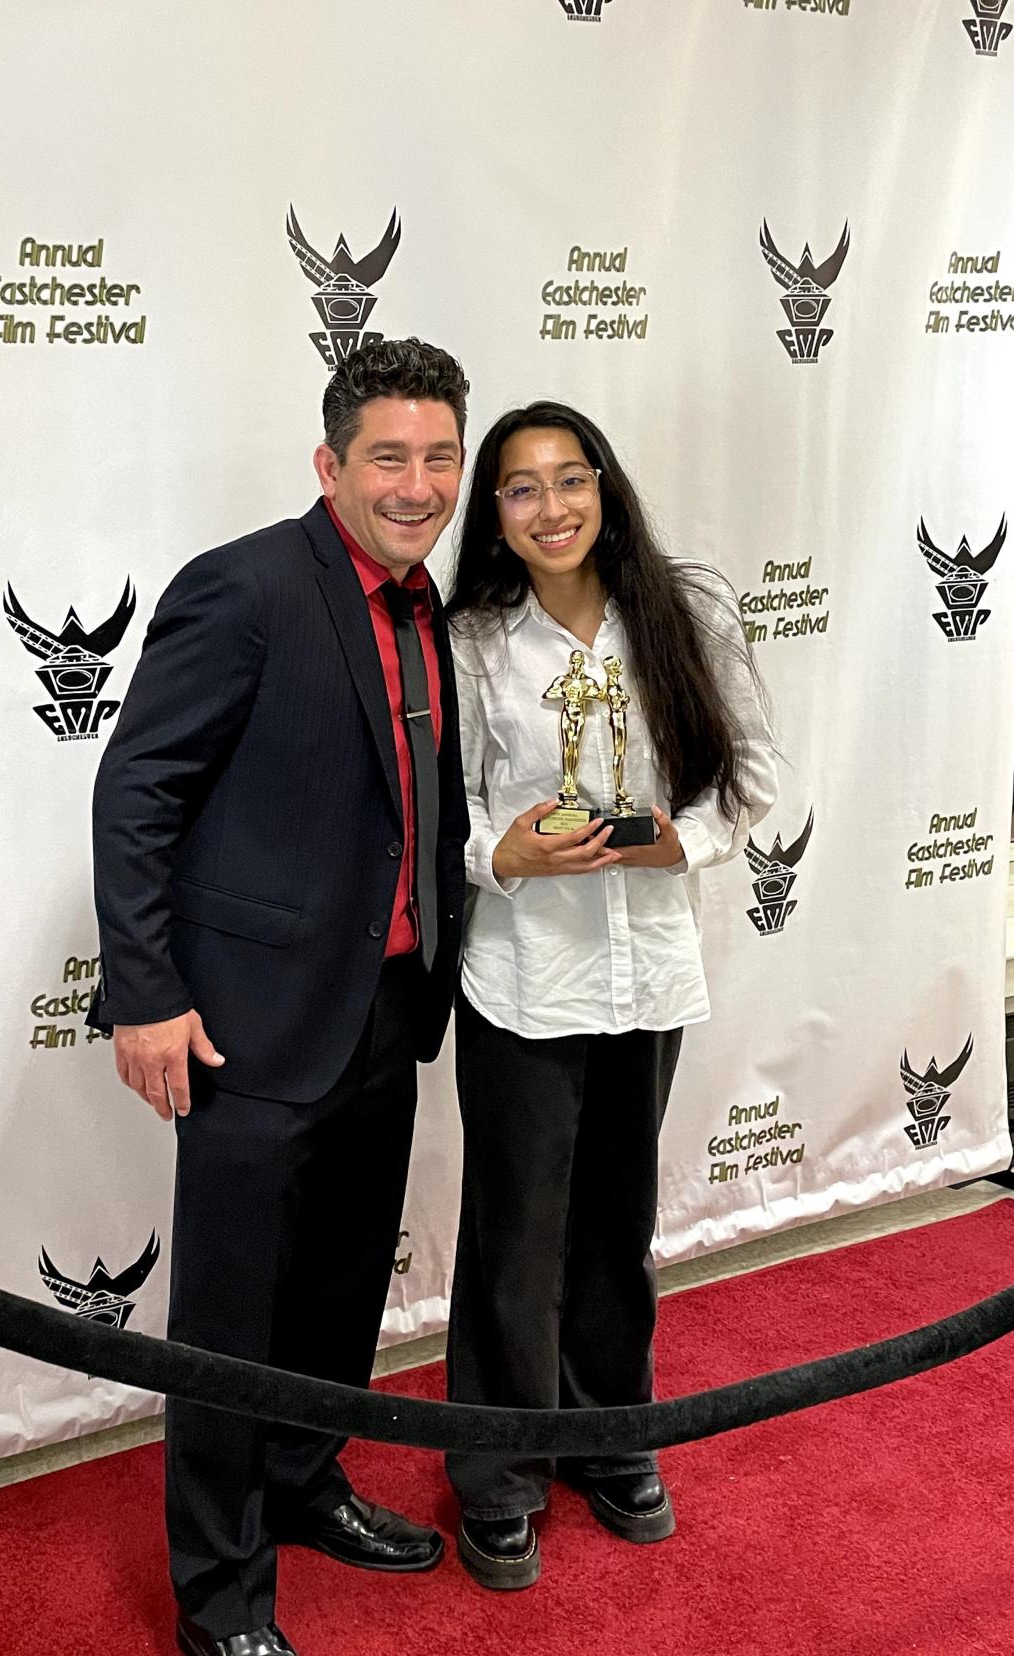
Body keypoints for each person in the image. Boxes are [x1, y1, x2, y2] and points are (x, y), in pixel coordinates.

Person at [86, 338, 471, 1656]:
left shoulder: (431, 604)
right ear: (330, 463)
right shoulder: (243, 589)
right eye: (387, 457)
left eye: (437, 456)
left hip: (386, 1012)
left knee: (338, 1292)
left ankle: (306, 1484)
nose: (415, 484)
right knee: (228, 1324)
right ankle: (220, 1597)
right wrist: (141, 993)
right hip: (247, 1025)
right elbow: (137, 791)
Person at [442, 400, 777, 1590]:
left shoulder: (687, 613)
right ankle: (498, 1467)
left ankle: (609, 1435)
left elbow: (750, 784)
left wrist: (663, 839)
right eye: (520, 489)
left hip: (647, 971)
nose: (550, 507)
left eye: (568, 479)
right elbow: (455, 816)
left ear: (606, 485)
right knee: (514, 1237)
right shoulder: (476, 639)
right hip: (525, 976)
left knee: (617, 1227)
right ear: (495, 515)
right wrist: (505, 856)